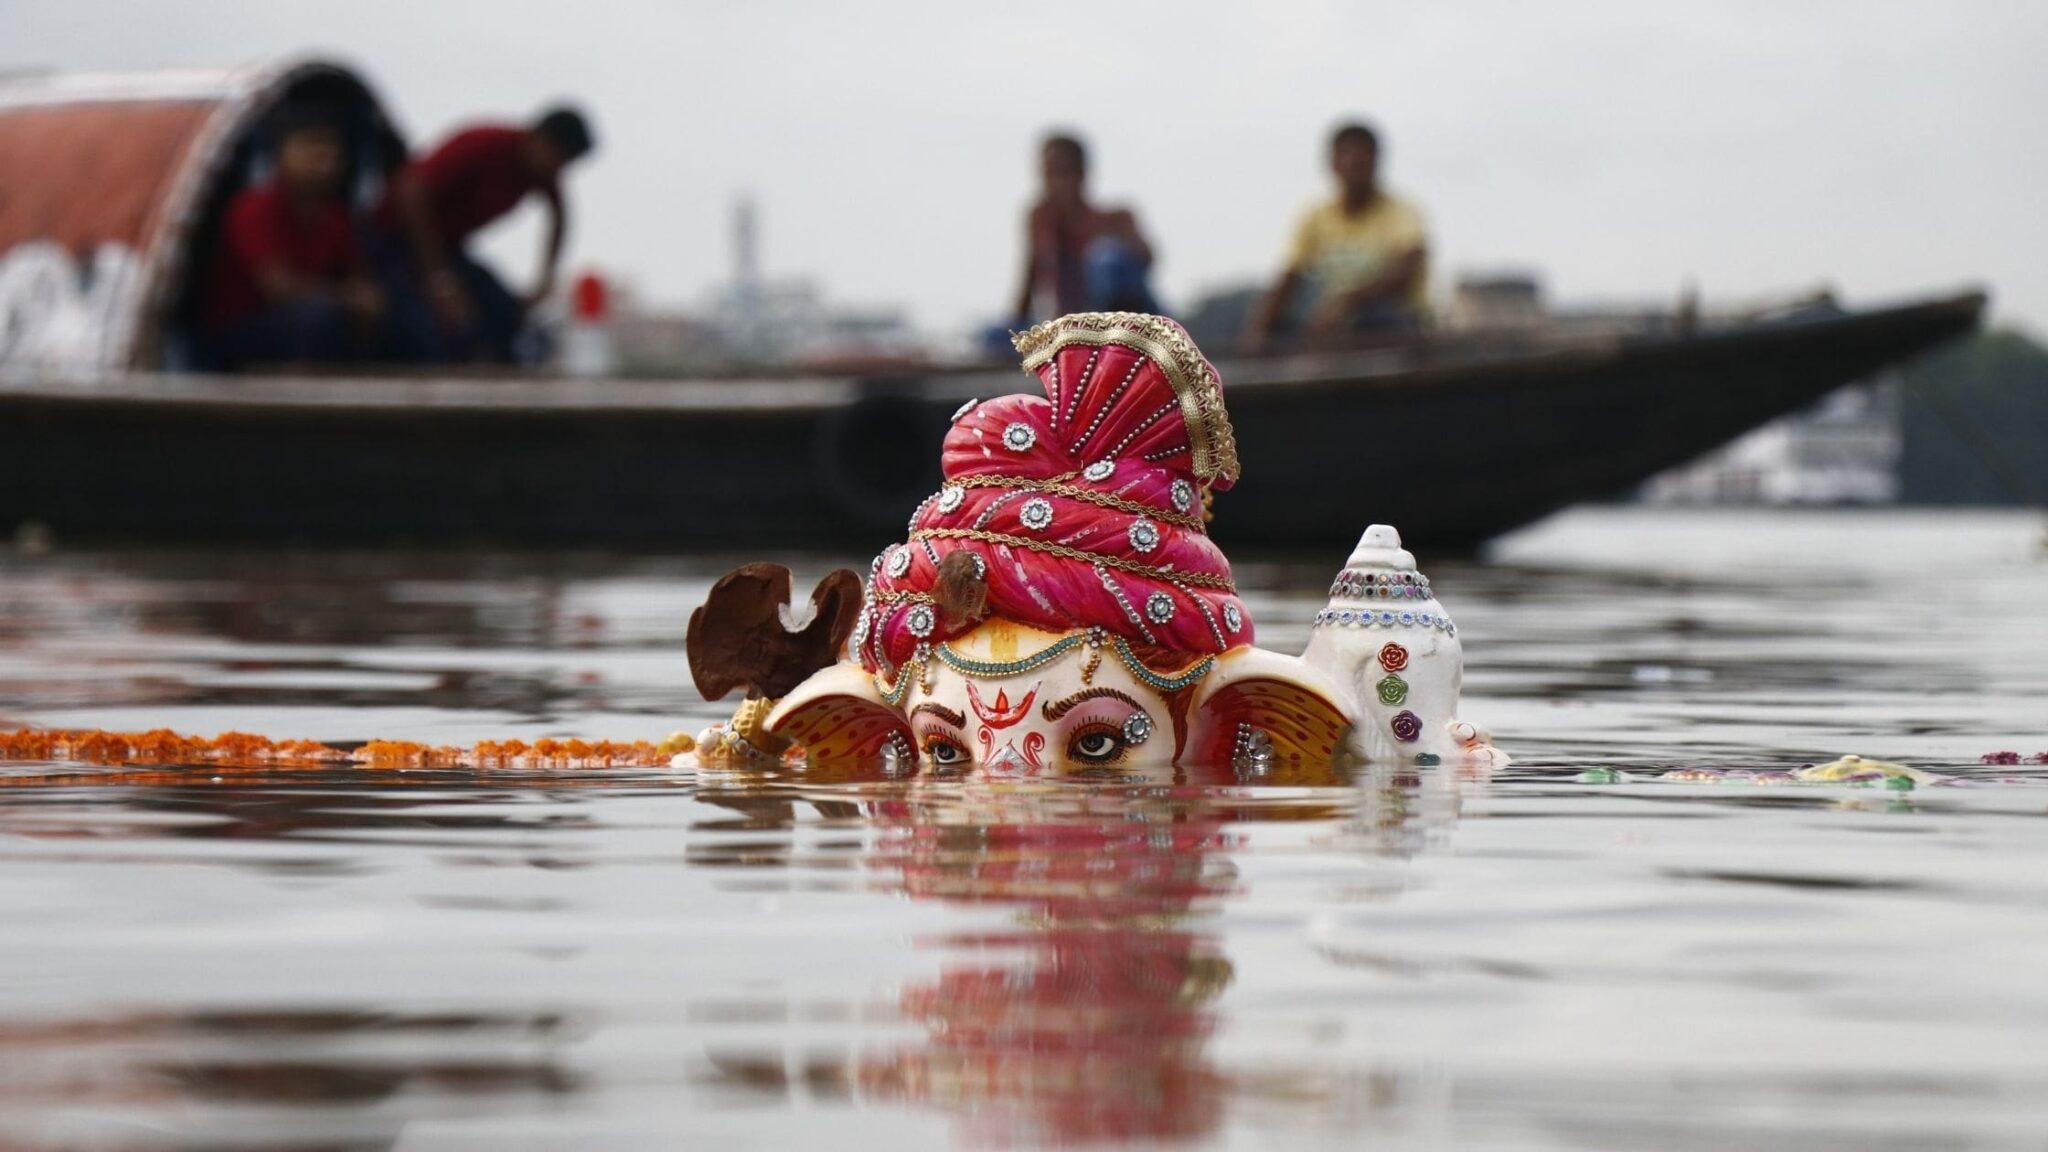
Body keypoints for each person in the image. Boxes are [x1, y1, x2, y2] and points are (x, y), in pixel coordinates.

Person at [374, 106, 595, 362]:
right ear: (539, 138)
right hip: (390, 238)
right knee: (426, 320)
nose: (557, 171)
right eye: (557, 159)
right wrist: (439, 278)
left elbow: (560, 216)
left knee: (504, 312)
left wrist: (545, 279)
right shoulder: (486, 143)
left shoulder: (541, 173)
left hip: (446, 248)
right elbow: (410, 190)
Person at [196, 105, 383, 371]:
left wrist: (368, 301)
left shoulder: (335, 216)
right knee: (316, 317)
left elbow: (356, 275)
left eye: (331, 146)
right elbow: (278, 289)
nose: (323, 156)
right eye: (310, 144)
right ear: (280, 153)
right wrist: (348, 299)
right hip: (241, 330)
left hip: (303, 323)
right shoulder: (252, 209)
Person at [1244, 121, 1429, 350]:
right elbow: (1289, 277)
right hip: (1336, 322)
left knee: (1380, 317)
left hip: (1390, 321)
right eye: (1348, 161)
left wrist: (1349, 301)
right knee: (1277, 330)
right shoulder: (1315, 216)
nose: (1355, 171)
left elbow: (1408, 269)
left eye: (1362, 163)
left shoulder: (1401, 212)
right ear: (1333, 165)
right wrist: (1257, 331)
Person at [1011, 133, 1159, 326]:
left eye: (1064, 173)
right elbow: (1030, 278)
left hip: (1123, 324)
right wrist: (1016, 326)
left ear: (1081, 174)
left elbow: (1148, 258)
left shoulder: (1115, 219)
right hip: (1071, 326)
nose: (1056, 184)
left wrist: (1115, 243)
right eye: (1049, 174)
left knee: (1108, 259)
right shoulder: (1041, 218)